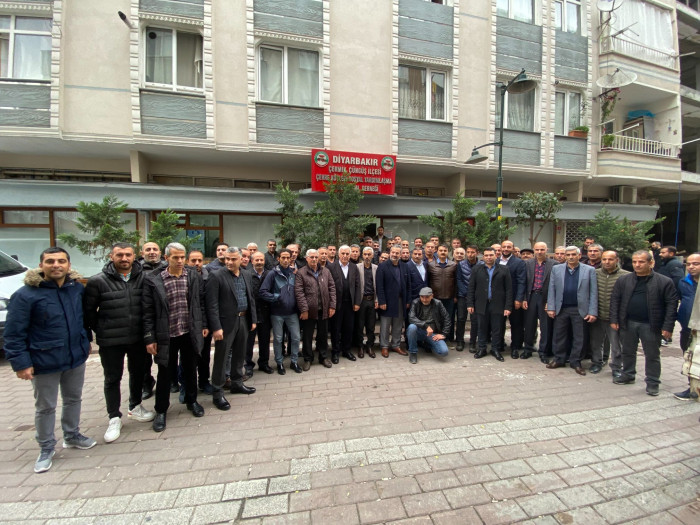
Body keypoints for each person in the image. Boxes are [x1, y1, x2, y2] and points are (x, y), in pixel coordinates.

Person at [5, 247, 96, 473]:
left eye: (61, 261)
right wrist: (21, 363)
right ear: (41, 265)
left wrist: (85, 342)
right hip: (44, 360)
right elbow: (14, 333)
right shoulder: (26, 295)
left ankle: (72, 435)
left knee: (73, 399)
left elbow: (83, 319)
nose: (56, 265)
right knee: (46, 406)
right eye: (50, 261)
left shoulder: (76, 289)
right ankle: (46, 447)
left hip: (75, 356)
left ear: (68, 265)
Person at [84, 242, 155, 444]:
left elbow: (149, 308)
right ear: (111, 256)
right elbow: (88, 313)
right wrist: (102, 330)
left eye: (128, 255)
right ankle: (114, 417)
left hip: (138, 338)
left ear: (134, 256)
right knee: (112, 378)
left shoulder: (145, 278)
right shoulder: (97, 281)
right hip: (111, 340)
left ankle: (135, 406)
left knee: (138, 373)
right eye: (120, 255)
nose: (124, 258)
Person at [143, 242, 208, 431]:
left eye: (182, 257)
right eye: (175, 257)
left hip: (189, 331)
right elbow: (147, 311)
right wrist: (149, 337)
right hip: (166, 333)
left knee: (190, 368)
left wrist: (203, 324)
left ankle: (191, 400)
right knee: (165, 372)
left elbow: (199, 302)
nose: (180, 261)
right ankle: (161, 410)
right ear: (166, 258)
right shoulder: (154, 279)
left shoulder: (192, 275)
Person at [610, 250, 678, 396]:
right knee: (627, 351)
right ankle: (628, 374)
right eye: (634, 262)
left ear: (651, 263)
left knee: (652, 354)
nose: (637, 265)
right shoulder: (624, 280)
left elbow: (671, 306)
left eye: (641, 262)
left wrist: (668, 327)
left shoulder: (664, 282)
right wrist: (614, 319)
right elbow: (615, 300)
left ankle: (653, 382)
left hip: (651, 325)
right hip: (628, 323)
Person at [206, 246, 257, 412]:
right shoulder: (216, 275)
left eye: (233, 259)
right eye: (227, 258)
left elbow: (250, 298)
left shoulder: (246, 274)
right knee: (221, 358)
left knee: (240, 354)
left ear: (241, 259)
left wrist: (253, 319)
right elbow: (212, 304)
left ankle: (237, 383)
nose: (229, 262)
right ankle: (217, 392)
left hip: (243, 319)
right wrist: (216, 327)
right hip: (225, 323)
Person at [546, 246, 598, 376]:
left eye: (573, 254)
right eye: (568, 255)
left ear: (579, 256)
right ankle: (559, 359)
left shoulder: (589, 270)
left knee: (579, 337)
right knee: (559, 335)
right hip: (561, 308)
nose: (570, 257)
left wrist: (592, 311)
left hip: (580, 309)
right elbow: (552, 289)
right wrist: (551, 307)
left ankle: (576, 362)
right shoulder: (556, 269)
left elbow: (593, 292)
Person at [259, 249, 302, 374]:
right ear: (278, 258)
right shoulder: (272, 274)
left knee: (296, 337)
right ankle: (279, 363)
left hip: (292, 312)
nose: (286, 260)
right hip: (277, 313)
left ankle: (294, 361)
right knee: (278, 339)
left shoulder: (294, 273)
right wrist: (277, 297)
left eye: (288, 257)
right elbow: (263, 292)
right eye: (283, 257)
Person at [467, 247, 512, 361]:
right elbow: (471, 287)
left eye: (491, 255)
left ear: (496, 255)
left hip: (498, 304)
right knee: (481, 327)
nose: (489, 257)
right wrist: (470, 304)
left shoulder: (504, 269)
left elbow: (509, 289)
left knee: (497, 328)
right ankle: (482, 348)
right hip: (481, 303)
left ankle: (495, 349)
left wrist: (508, 306)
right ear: (483, 257)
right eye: (486, 255)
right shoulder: (477, 269)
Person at [295, 249, 336, 369]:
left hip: (324, 309)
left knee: (323, 335)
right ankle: (308, 359)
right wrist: (304, 309)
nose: (314, 259)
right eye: (311, 257)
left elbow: (332, 288)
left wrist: (332, 305)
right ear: (306, 258)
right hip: (308, 311)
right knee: (307, 336)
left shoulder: (325, 271)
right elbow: (299, 292)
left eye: (315, 257)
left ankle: (323, 357)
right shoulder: (301, 273)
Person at [590, 250, 628, 376]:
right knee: (596, 342)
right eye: (604, 259)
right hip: (597, 315)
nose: (607, 262)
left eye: (610, 259)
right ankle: (597, 363)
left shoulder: (625, 276)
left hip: (615, 317)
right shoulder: (594, 273)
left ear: (617, 260)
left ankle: (616, 367)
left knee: (616, 345)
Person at [138, 241, 166, 400]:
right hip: (143, 316)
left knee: (166, 353)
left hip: (163, 317)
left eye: (155, 249)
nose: (152, 252)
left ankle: (170, 380)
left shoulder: (166, 268)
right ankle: (146, 383)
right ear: (142, 253)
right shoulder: (137, 270)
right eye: (148, 249)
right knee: (144, 356)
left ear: (160, 252)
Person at [522, 242, 557, 363]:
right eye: (537, 249)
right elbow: (523, 282)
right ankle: (528, 349)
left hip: (545, 298)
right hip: (531, 296)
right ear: (534, 250)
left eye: (542, 249)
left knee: (545, 327)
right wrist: (524, 298)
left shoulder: (554, 264)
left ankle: (544, 352)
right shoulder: (528, 263)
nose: (539, 252)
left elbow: (556, 285)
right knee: (529, 325)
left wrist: (551, 302)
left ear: (547, 250)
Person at [328, 245, 361, 363]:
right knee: (336, 329)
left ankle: (347, 350)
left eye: (347, 254)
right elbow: (328, 286)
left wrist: (357, 302)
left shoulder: (354, 267)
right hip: (337, 304)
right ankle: (335, 352)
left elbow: (358, 285)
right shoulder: (331, 267)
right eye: (343, 253)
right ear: (339, 254)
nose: (345, 256)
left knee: (348, 328)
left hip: (350, 304)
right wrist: (331, 304)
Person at [674, 253, 700, 400]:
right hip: (688, 329)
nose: (691, 267)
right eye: (688, 264)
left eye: (695, 264)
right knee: (689, 359)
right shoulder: (684, 282)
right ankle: (693, 388)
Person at [187, 250, 213, 394]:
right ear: (187, 261)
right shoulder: (184, 277)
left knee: (205, 355)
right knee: (188, 358)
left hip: (204, 324)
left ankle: (204, 381)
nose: (197, 263)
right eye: (193, 260)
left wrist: (205, 324)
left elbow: (206, 303)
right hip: (187, 325)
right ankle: (186, 386)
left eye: (199, 260)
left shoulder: (208, 277)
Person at [376, 245, 409, 358]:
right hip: (387, 301)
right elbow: (379, 285)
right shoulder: (382, 266)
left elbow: (408, 284)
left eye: (397, 253)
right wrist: (381, 301)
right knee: (385, 325)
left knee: (398, 324)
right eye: (393, 252)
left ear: (400, 254)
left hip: (400, 300)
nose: (395, 255)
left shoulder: (404, 266)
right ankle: (384, 346)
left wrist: (407, 300)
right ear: (390, 252)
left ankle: (396, 345)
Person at [244, 252, 273, 376]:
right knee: (249, 342)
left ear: (264, 261)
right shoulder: (246, 274)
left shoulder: (270, 274)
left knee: (265, 340)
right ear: (252, 261)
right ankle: (248, 365)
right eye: (257, 260)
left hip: (266, 313)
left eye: (261, 260)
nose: (259, 262)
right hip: (251, 314)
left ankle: (264, 363)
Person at [406, 287, 451, 364]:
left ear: (432, 296)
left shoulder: (438, 303)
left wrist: (444, 334)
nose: (424, 299)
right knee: (412, 327)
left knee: (444, 352)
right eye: (422, 297)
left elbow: (447, 318)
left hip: (433, 333)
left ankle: (427, 344)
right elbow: (411, 318)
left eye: (427, 297)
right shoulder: (415, 303)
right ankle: (413, 352)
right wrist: (426, 326)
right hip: (419, 331)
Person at [500, 240, 526, 359]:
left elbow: (521, 281)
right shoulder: (496, 261)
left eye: (508, 247)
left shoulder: (519, 263)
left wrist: (519, 299)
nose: (506, 249)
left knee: (515, 324)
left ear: (513, 248)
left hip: (514, 298)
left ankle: (515, 347)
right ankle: (499, 345)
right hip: (499, 299)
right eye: (504, 246)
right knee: (499, 323)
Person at [427, 244, 457, 341]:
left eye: (445, 250)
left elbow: (456, 282)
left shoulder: (453, 265)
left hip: (449, 297)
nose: (443, 252)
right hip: (435, 298)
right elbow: (428, 281)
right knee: (435, 318)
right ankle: (435, 339)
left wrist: (455, 295)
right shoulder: (431, 265)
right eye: (441, 250)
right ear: (437, 251)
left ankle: (448, 339)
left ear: (448, 252)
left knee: (449, 318)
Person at [455, 245, 481, 352]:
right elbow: (459, 279)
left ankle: (472, 342)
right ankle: (460, 341)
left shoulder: (481, 264)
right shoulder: (461, 264)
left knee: (475, 320)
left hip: (476, 297)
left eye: (472, 252)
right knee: (461, 318)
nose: (470, 254)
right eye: (468, 252)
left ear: (477, 253)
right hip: (463, 296)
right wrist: (466, 293)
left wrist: (474, 294)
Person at [356, 246, 378, 358]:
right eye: (365, 254)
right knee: (359, 326)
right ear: (362, 255)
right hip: (361, 301)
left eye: (369, 254)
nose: (367, 257)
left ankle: (369, 346)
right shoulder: (357, 267)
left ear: (372, 256)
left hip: (372, 301)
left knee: (371, 326)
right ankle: (360, 346)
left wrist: (377, 300)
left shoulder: (376, 268)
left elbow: (379, 286)